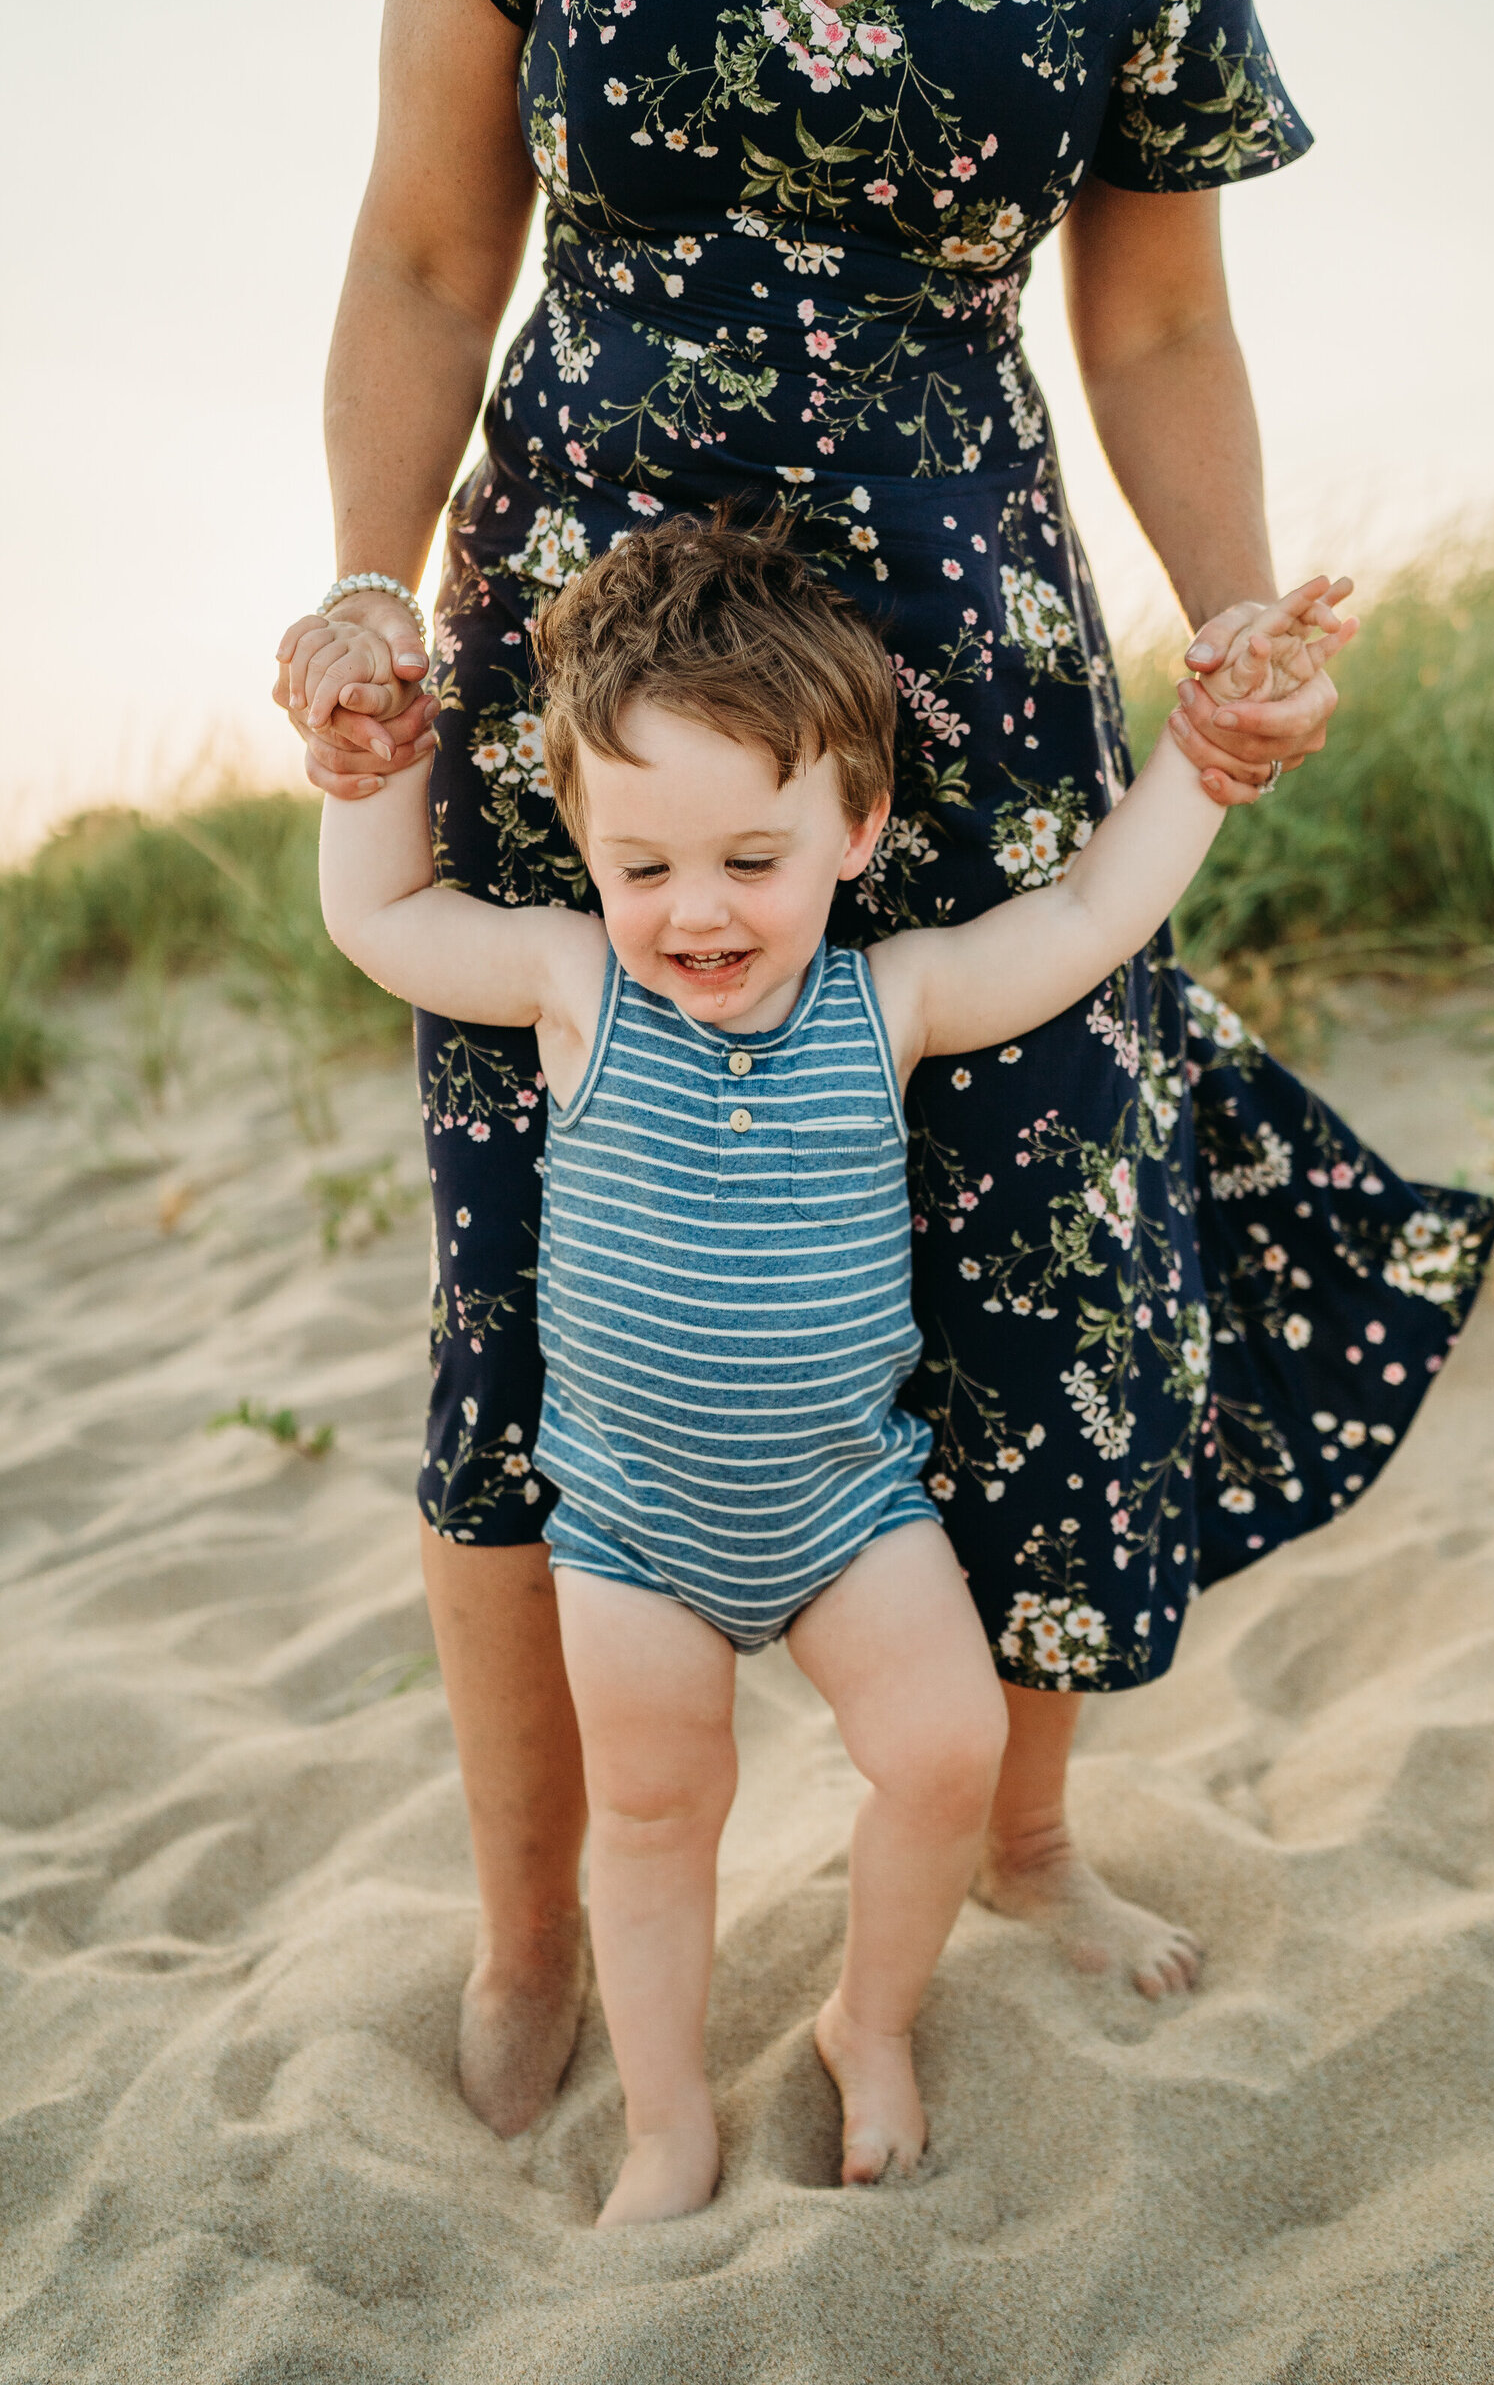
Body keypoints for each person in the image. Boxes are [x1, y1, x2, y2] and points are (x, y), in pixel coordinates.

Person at [275, 0, 1494, 2140]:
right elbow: (420, 254)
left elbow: (1148, 325)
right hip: (597, 669)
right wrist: (369, 591)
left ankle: (1015, 1844)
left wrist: (1225, 625)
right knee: (527, 1298)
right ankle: (532, 1924)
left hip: (964, 650)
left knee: (1035, 1269)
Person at [319, 519, 1358, 2223]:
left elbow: (1096, 913)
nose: (698, 912)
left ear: (856, 830)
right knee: (653, 1821)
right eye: (643, 865)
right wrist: (366, 769)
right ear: (581, 841)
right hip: (632, 1529)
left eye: (750, 858)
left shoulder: (890, 1003)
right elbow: (380, 915)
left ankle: (864, 2022)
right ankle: (664, 2119)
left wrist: (1197, 750)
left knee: (945, 1756)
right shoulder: (575, 987)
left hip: (845, 1507)